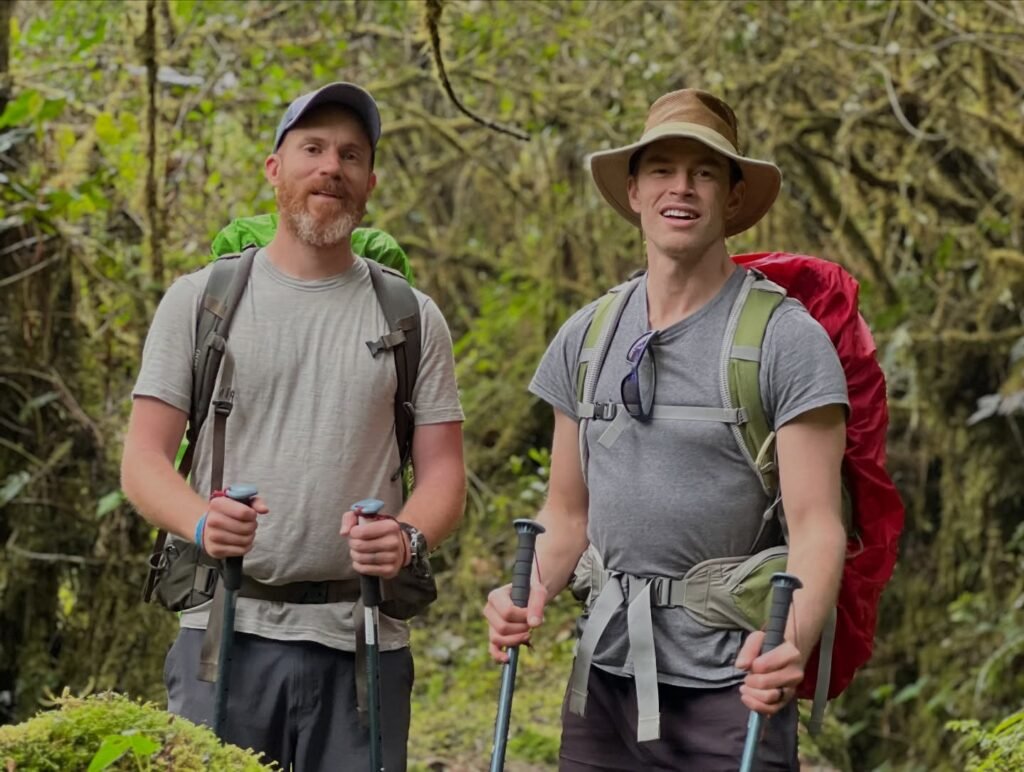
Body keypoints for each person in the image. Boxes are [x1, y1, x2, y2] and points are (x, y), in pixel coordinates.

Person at [483, 88, 848, 770]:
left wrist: (791, 640)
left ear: (732, 198)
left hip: (732, 684)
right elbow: (566, 514)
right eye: (662, 170)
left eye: (704, 172)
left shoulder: (785, 341)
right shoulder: (586, 338)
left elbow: (817, 526)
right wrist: (526, 594)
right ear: (634, 191)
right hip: (604, 682)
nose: (681, 187)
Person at [122, 82, 466, 771]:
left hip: (362, 640)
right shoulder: (201, 301)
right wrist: (201, 523)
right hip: (222, 634)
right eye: (312, 149)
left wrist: (405, 537)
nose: (331, 167)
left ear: (369, 182)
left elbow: (444, 472)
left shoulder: (411, 316)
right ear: (275, 169)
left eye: (351, 155)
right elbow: (143, 460)